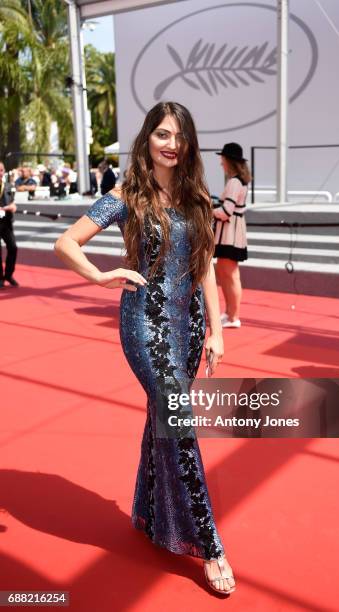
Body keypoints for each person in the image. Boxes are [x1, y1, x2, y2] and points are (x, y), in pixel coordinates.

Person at [54, 102, 236, 595]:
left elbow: (204, 268)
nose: (170, 144)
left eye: (179, 136)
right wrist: (100, 275)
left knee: (165, 418)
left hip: (190, 327)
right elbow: (66, 242)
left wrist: (217, 330)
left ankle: (149, 512)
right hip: (145, 326)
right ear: (147, 140)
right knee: (179, 422)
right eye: (161, 134)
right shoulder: (124, 197)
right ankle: (211, 546)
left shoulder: (197, 197)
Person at [213, 142, 250, 328]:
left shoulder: (235, 182)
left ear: (229, 161)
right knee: (224, 271)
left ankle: (233, 316)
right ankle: (229, 313)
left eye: (223, 159)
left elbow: (226, 211)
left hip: (230, 233)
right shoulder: (237, 181)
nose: (221, 163)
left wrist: (209, 209)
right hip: (230, 232)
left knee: (230, 273)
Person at [0, 161, 19, 288]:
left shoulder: (8, 186)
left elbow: (13, 203)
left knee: (13, 247)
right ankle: (0, 278)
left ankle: (8, 274)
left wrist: (11, 207)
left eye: (1, 170)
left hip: (6, 222)